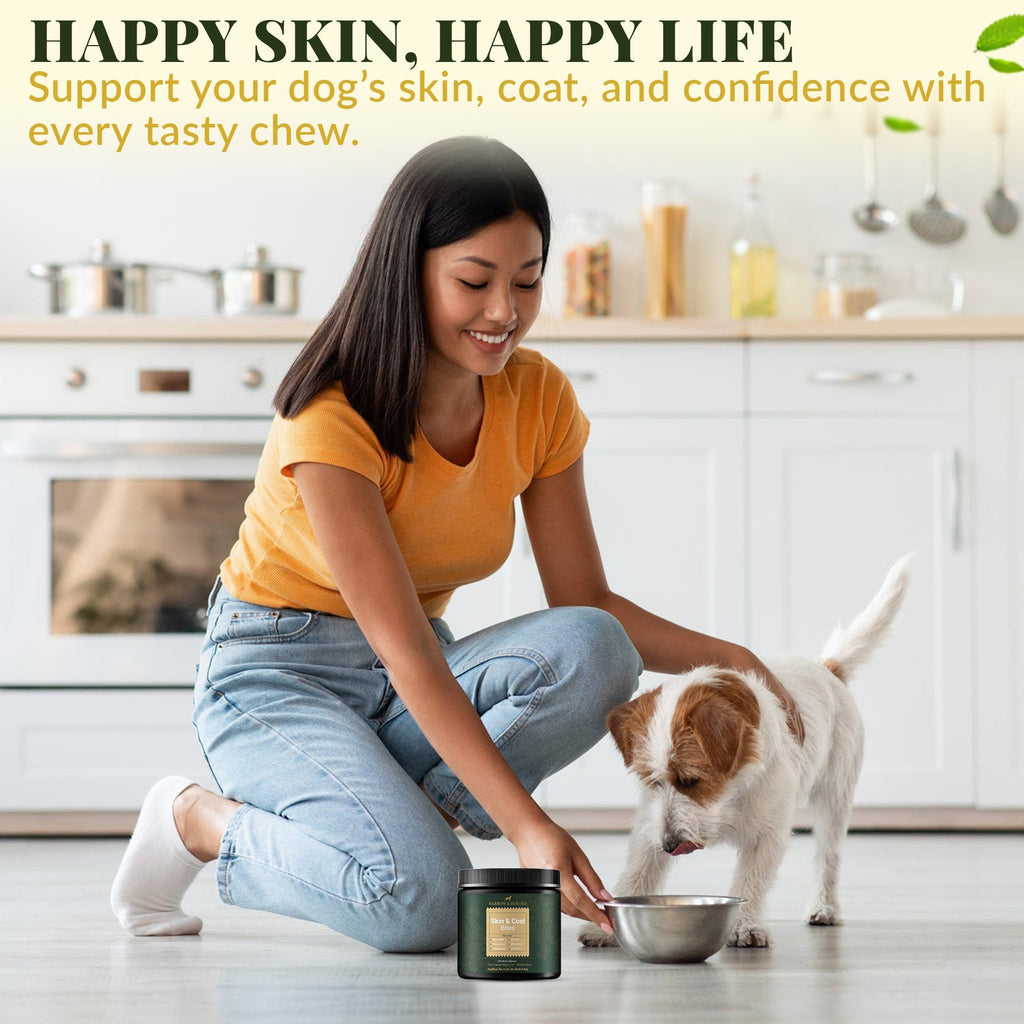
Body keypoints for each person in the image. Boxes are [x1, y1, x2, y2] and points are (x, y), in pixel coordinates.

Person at [110, 136, 803, 953]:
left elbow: (586, 603)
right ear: (408, 273)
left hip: (407, 678)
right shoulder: (332, 413)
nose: (504, 311)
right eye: (474, 282)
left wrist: (737, 660)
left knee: (598, 647)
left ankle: (395, 814)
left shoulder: (537, 397)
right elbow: (404, 649)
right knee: (423, 905)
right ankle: (197, 822)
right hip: (276, 674)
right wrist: (529, 826)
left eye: (527, 280)